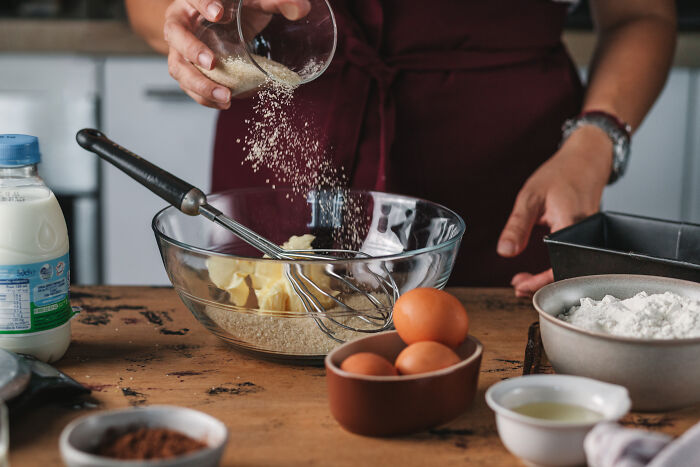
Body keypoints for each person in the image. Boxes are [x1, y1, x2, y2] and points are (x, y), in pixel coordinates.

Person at [125, 0, 676, 296]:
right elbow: (148, 9)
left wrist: (595, 141)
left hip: (511, 185)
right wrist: (203, 18)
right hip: (286, 146)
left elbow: (641, 14)